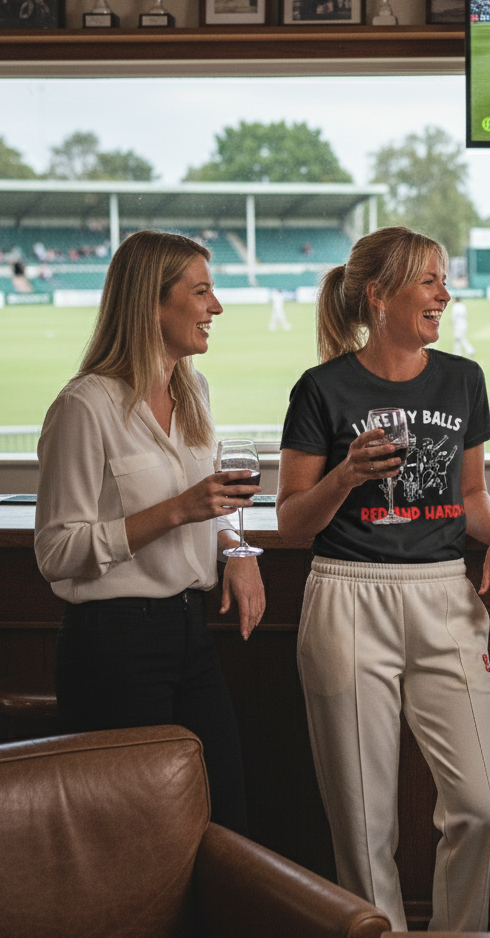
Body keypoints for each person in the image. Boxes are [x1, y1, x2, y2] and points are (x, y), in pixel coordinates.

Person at [276, 226, 490, 931]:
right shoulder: (321, 389)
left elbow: (471, 495)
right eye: (429, 280)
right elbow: (292, 520)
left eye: (445, 280)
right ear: (378, 294)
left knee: (484, 806)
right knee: (363, 830)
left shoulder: (463, 378)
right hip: (347, 594)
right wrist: (347, 472)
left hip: (447, 593)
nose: (445, 293)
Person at [35, 229, 265, 835]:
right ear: (152, 304)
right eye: (202, 291)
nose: (216, 306)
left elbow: (216, 498)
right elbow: (57, 553)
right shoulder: (84, 407)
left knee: (225, 822)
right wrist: (176, 510)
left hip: (193, 633)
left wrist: (237, 548)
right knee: (139, 840)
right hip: (113, 648)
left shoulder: (194, 391)